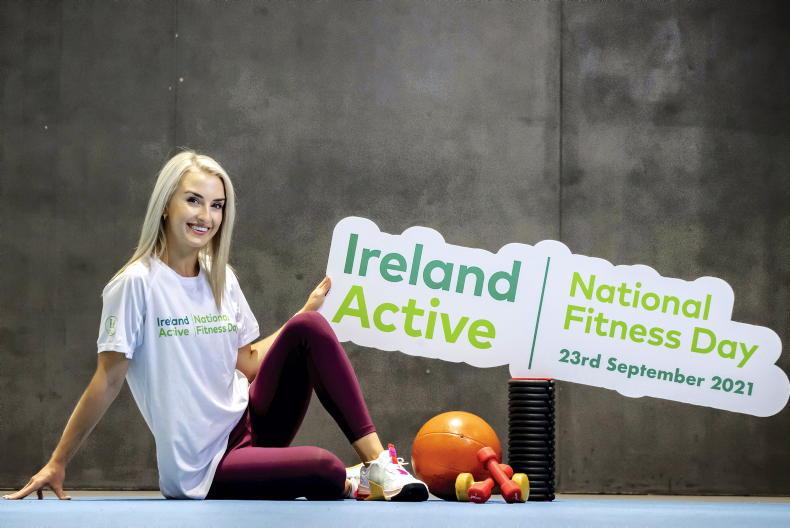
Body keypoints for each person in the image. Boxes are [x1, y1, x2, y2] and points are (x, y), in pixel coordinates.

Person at [3, 151, 429, 502]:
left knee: (310, 325)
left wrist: (302, 315)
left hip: (252, 422)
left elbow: (247, 363)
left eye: (217, 205)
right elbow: (108, 379)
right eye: (193, 200)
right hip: (203, 466)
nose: (205, 216)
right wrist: (57, 461)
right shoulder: (135, 284)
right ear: (166, 204)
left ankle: (378, 465)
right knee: (325, 470)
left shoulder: (219, 276)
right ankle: (353, 479)